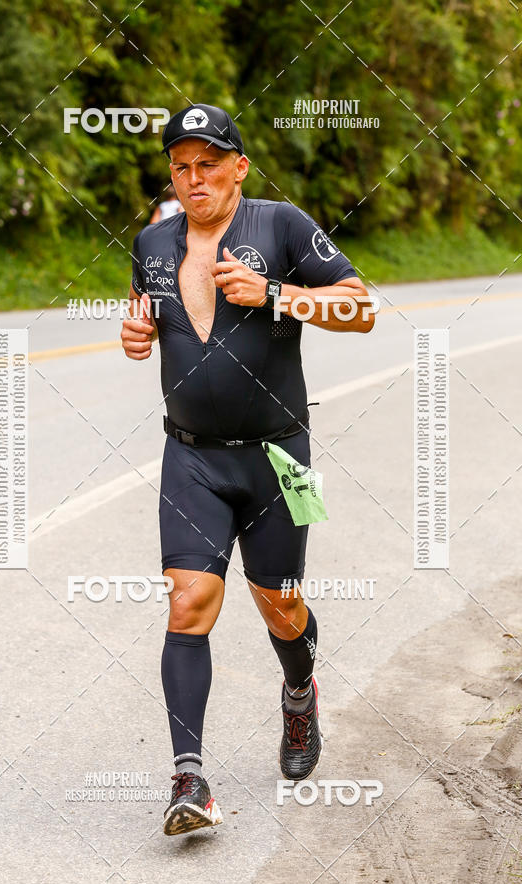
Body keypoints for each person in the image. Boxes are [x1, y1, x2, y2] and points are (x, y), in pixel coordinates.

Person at [121, 103, 375, 836]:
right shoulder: (150, 242)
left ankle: (299, 690)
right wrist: (136, 333)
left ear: (239, 165)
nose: (194, 177)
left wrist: (275, 294)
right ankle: (189, 779)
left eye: (208, 162)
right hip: (191, 456)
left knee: (280, 604)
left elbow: (362, 308)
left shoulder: (282, 225)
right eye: (181, 166)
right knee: (189, 602)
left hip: (279, 458)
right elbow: (149, 321)